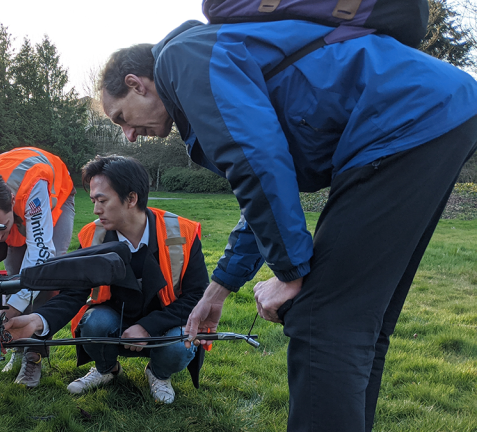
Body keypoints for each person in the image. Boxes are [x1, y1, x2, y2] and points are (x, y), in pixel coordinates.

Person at [98, 19, 477, 431]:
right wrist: (219, 287)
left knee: (320, 319)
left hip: (399, 117)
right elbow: (266, 184)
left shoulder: (180, 60)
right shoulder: (202, 59)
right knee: (356, 326)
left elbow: (254, 161)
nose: (129, 136)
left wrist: (290, 272)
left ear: (137, 83)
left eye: (121, 117)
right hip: (431, 110)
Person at [4, 155, 208, 404]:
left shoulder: (183, 232)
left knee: (181, 345)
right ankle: (106, 369)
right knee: (93, 324)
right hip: (112, 321)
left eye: (102, 200)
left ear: (131, 199)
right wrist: (38, 321)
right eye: (93, 200)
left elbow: (197, 295)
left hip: (166, 324)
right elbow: (74, 293)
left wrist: (148, 327)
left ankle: (159, 373)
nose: (95, 209)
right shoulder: (92, 235)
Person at [0, 146, 75, 387]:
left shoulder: (33, 188)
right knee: (13, 276)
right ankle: (16, 347)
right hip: (15, 209)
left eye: (1, 228)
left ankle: (34, 355)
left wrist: (13, 308)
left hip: (54, 195)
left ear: (10, 202)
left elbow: (41, 254)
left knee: (46, 277)